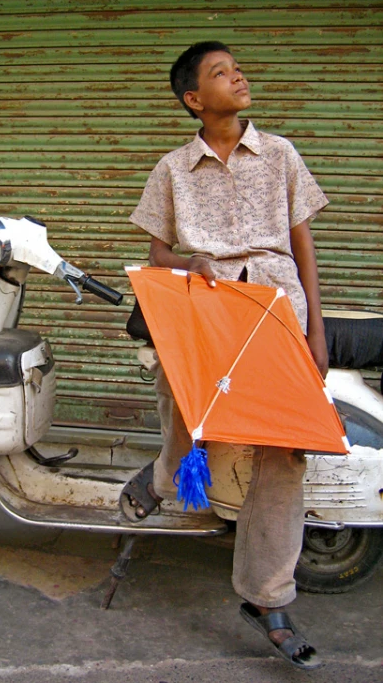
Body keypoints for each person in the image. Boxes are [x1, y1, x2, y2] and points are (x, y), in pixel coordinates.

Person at [120, 41, 328, 670]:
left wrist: (315, 328)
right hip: (204, 305)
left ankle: (268, 598)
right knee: (185, 403)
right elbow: (157, 256)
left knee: (286, 447)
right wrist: (193, 260)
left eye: (235, 67)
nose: (237, 74)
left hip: (274, 306)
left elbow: (302, 242)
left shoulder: (281, 155)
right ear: (194, 99)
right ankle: (164, 476)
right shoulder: (173, 168)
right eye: (219, 72)